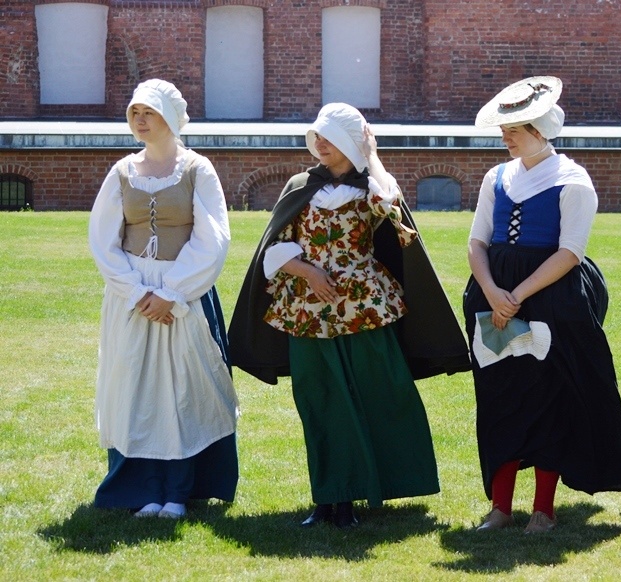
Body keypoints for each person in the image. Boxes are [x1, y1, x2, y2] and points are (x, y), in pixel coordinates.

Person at [228, 103, 470, 528]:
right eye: (316, 136)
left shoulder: (372, 186)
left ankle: (376, 486)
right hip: (307, 308)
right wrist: (306, 271)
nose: (319, 144)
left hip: (364, 305)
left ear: (350, 142)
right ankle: (330, 498)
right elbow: (274, 246)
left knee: (380, 393)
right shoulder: (300, 185)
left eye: (329, 137)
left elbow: (392, 209)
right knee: (319, 400)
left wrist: (371, 155)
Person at [463, 76, 621, 534]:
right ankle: (500, 508)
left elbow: (570, 251)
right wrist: (495, 292)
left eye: (513, 130)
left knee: (548, 397)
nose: (505, 137)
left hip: (551, 299)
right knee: (499, 396)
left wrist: (519, 295)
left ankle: (544, 508)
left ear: (539, 130)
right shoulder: (494, 177)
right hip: (492, 295)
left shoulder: (573, 181)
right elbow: (477, 241)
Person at [88, 79, 238, 519]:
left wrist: (171, 293)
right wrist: (137, 293)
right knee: (135, 388)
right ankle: (144, 490)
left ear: (170, 118)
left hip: (183, 296)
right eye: (134, 111)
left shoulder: (197, 170)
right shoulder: (122, 172)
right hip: (131, 297)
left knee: (184, 390)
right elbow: (103, 241)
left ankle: (180, 491)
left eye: (148, 112)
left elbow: (214, 238)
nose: (138, 119)